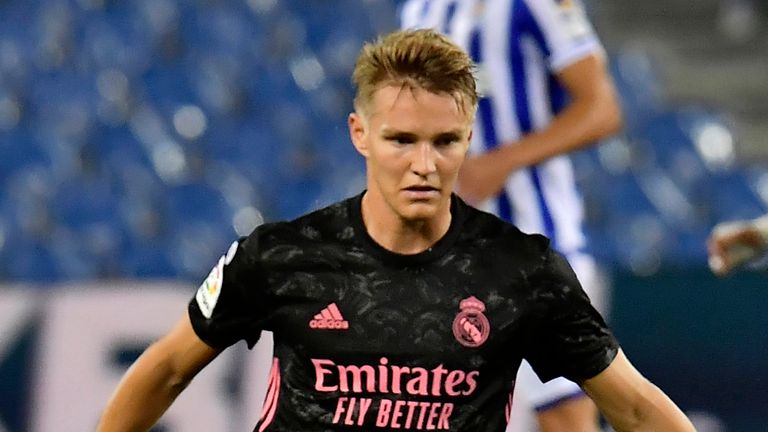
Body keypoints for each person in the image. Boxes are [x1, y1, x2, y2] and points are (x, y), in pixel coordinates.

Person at [97, 29, 694, 432]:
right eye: (401, 140)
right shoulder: (280, 257)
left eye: (444, 141)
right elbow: (167, 368)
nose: (424, 164)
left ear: (468, 137)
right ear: (360, 134)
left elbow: (638, 409)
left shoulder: (523, 273)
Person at [400, 1, 623, 431]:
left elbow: (601, 108)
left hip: (534, 241)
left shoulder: (537, 4)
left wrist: (500, 162)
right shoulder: (419, 7)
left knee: (564, 413)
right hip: (444, 252)